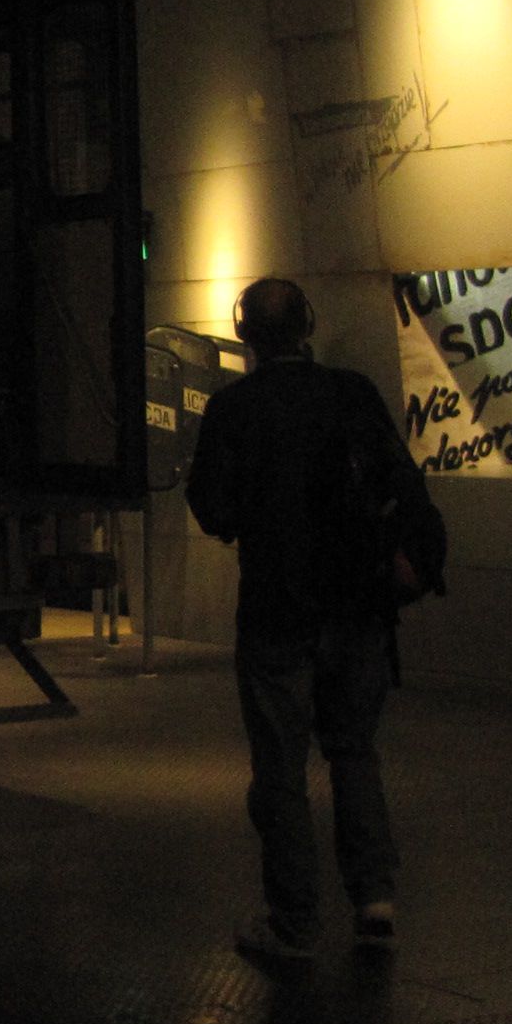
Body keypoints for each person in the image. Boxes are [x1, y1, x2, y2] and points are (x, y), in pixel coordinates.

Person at [187, 277, 443, 961]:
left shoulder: (234, 408)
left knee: (280, 769)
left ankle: (295, 920)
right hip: (358, 607)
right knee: (354, 751)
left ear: (245, 333)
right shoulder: (351, 393)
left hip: (276, 610)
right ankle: (375, 898)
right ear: (308, 323)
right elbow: (398, 481)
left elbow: (212, 509)